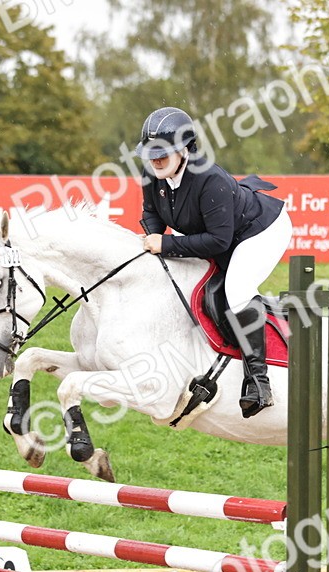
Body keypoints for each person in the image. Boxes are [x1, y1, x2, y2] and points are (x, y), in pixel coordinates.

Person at [135, 106, 291, 418]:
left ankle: (259, 382)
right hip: (223, 234)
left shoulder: (208, 179)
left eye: (163, 152)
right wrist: (154, 239)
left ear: (184, 149)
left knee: (236, 291)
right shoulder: (152, 174)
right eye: (150, 153)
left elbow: (219, 241)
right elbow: (151, 211)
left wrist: (164, 243)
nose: (155, 159)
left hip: (259, 231)